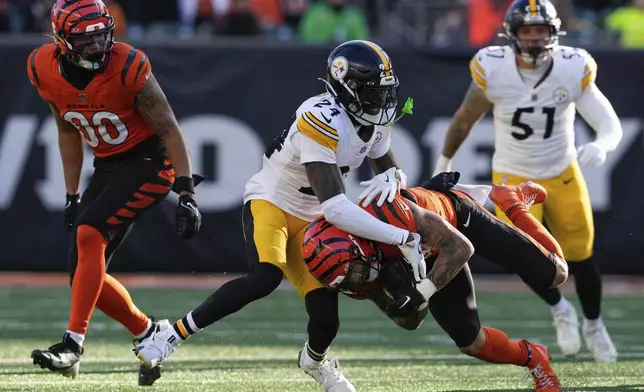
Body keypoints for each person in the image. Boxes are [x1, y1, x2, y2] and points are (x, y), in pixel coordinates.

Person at [134, 40, 464, 392]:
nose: (381, 103)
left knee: (326, 320)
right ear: (345, 88)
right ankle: (170, 335)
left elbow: (385, 164)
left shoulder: (373, 120)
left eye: (384, 93)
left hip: (313, 217)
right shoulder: (321, 117)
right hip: (273, 202)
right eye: (372, 93)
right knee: (264, 276)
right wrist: (401, 237)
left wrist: (394, 177)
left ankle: (315, 362)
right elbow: (337, 206)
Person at [433, 0, 621, 362]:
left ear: (553, 34)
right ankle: (560, 308)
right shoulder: (494, 68)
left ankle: (594, 325)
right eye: (526, 31)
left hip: (562, 173)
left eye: (540, 31)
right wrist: (444, 161)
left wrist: (603, 144)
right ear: (513, 35)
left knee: (581, 257)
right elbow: (463, 120)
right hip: (512, 176)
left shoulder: (571, 66)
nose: (534, 39)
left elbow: (608, 121)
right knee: (524, 257)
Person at [27, 0, 202, 383]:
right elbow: (67, 130)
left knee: (90, 231)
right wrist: (72, 194)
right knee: (83, 278)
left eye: (102, 37)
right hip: (108, 165)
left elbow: (168, 127)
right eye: (85, 42)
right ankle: (148, 332)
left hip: (151, 162)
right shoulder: (42, 66)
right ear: (61, 41)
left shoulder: (128, 64)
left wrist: (186, 190)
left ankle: (72, 345)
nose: (98, 47)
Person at [303, 175, 567, 392]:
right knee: (470, 342)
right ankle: (535, 357)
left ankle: (513, 202)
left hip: (456, 222)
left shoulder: (388, 214)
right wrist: (405, 302)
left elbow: (460, 247)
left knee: (556, 274)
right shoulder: (352, 273)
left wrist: (423, 290)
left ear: (357, 244)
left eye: (358, 270)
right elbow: (410, 321)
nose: (360, 280)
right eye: (351, 279)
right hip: (424, 257)